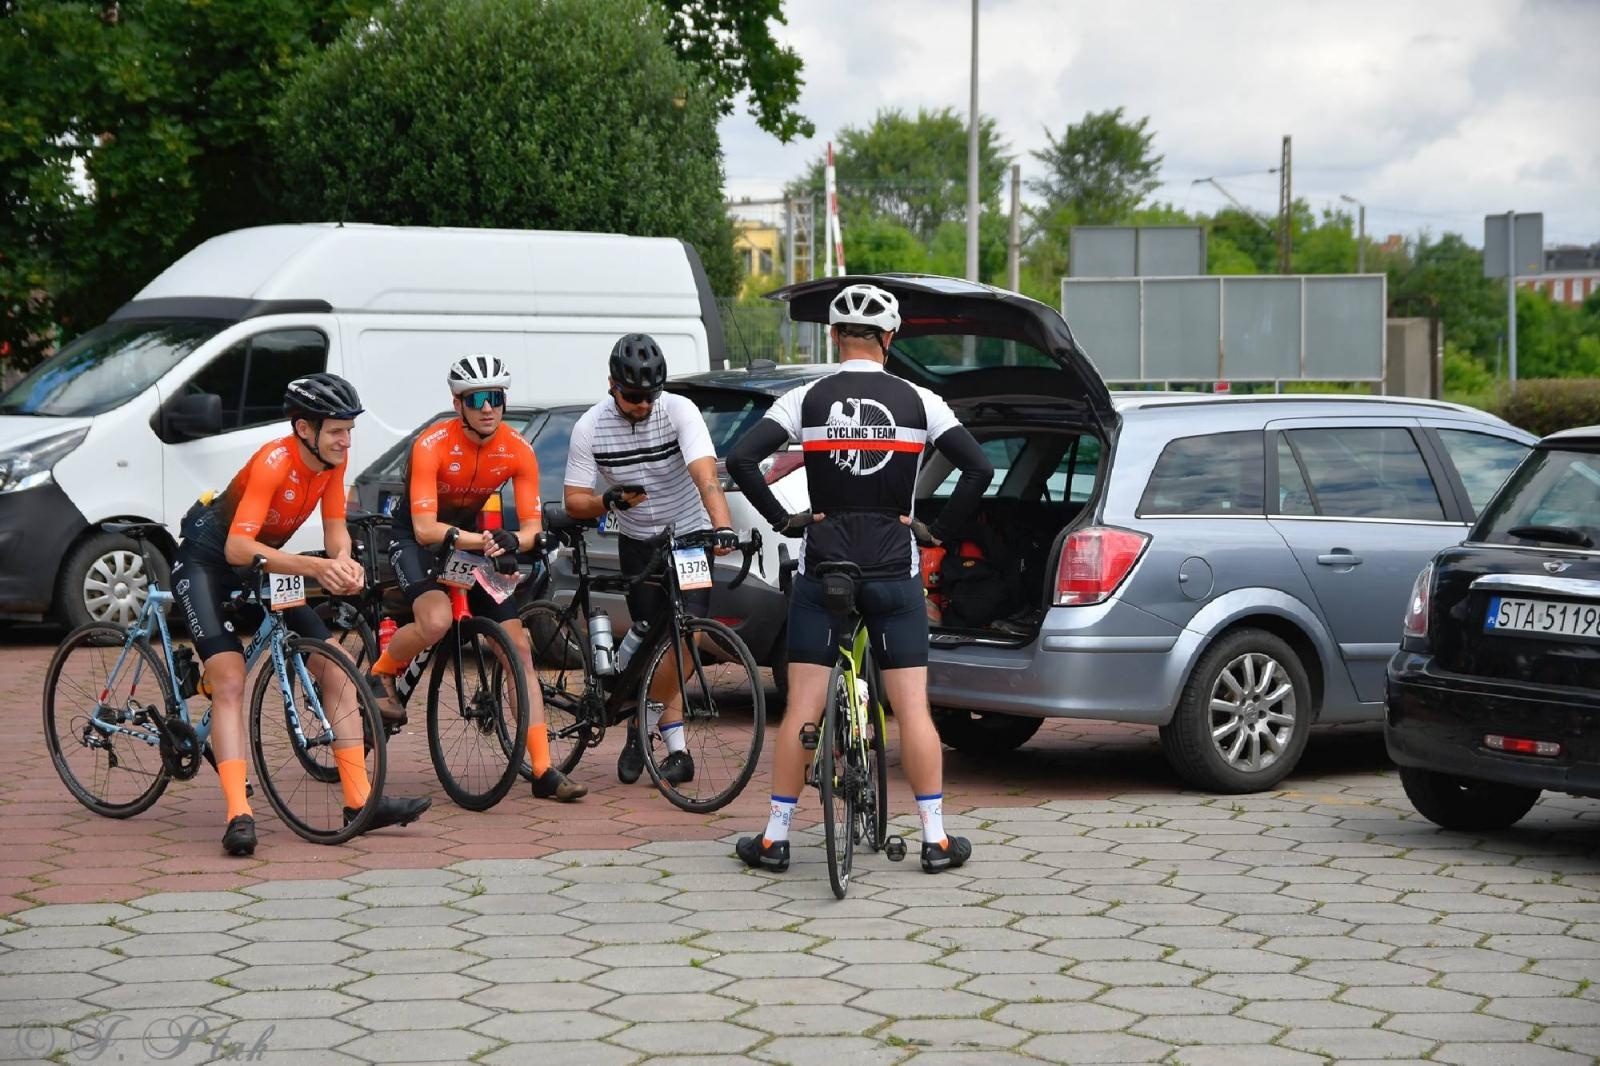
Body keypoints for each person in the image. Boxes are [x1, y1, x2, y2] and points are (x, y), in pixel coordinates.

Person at [725, 283, 995, 874]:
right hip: (894, 569)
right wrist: (935, 530)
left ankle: (775, 839)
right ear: (890, 339)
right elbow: (978, 467)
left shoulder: (805, 398)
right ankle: (935, 839)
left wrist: (785, 519)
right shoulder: (923, 401)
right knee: (914, 710)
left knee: (802, 705)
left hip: (824, 567)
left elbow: (742, 459)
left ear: (833, 336)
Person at [171, 373, 432, 856]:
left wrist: (343, 561)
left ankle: (360, 803)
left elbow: (335, 530)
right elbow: (236, 547)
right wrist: (317, 566)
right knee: (230, 681)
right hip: (210, 560)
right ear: (304, 428)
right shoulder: (275, 461)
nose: (346, 439)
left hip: (267, 562)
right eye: (337, 430)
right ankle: (238, 814)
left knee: (335, 667)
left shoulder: (333, 461)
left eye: (350, 430)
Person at [367, 354, 586, 802]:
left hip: (470, 541)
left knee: (519, 648)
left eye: (497, 398)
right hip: (418, 538)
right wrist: (481, 541)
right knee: (435, 622)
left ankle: (543, 770)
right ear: (458, 403)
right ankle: (381, 671)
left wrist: (512, 539)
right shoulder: (432, 445)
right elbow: (427, 530)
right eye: (477, 399)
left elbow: (530, 528)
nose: (489, 407)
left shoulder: (517, 450)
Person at [563, 333, 740, 786]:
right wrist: (609, 501)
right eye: (632, 396)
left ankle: (654, 733)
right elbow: (574, 502)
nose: (642, 404)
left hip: (689, 536)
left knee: (688, 636)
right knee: (647, 643)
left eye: (649, 396)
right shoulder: (589, 428)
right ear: (611, 385)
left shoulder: (679, 410)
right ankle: (647, 724)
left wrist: (722, 527)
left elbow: (706, 475)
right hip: (639, 541)